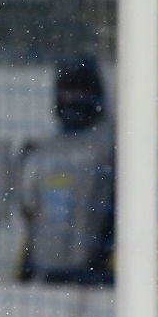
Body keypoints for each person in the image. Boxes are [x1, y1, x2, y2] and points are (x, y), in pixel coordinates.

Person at [18, 56, 116, 285]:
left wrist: (106, 265)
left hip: (97, 279)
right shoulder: (45, 150)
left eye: (81, 92)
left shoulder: (111, 148)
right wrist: (25, 272)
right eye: (67, 92)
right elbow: (33, 217)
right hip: (49, 276)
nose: (73, 99)